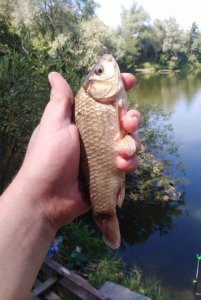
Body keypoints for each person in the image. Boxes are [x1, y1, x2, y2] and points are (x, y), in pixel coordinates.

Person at [0, 72, 141, 300]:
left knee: (128, 146)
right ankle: (105, 211)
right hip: (91, 172)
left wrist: (38, 209)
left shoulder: (101, 98)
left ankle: (105, 208)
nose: (105, 67)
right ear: (94, 85)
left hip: (99, 170)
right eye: (100, 72)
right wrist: (38, 204)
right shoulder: (96, 99)